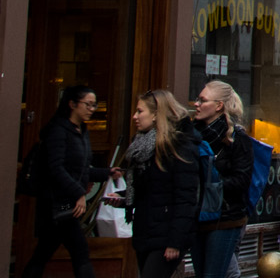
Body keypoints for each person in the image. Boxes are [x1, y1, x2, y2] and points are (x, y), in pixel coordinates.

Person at [20, 84, 111, 278]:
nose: (91, 110)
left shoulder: (82, 132)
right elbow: (56, 168)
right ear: (72, 104)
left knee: (44, 252)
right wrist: (78, 193)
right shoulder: (58, 131)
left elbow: (81, 170)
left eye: (94, 105)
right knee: (80, 251)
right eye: (88, 104)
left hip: (66, 204)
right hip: (56, 203)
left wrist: (108, 173)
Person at [122, 90, 200, 278]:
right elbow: (149, 190)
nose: (135, 116)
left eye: (140, 111)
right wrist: (123, 197)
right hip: (145, 232)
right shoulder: (141, 146)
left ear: (156, 115)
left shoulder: (178, 147)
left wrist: (175, 241)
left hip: (166, 235)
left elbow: (186, 198)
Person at [192, 80, 260, 278]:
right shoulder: (191, 136)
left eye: (202, 100)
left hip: (225, 218)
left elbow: (241, 181)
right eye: (197, 99)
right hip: (197, 216)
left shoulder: (237, 139)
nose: (196, 104)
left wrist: (212, 186)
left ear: (218, 106)